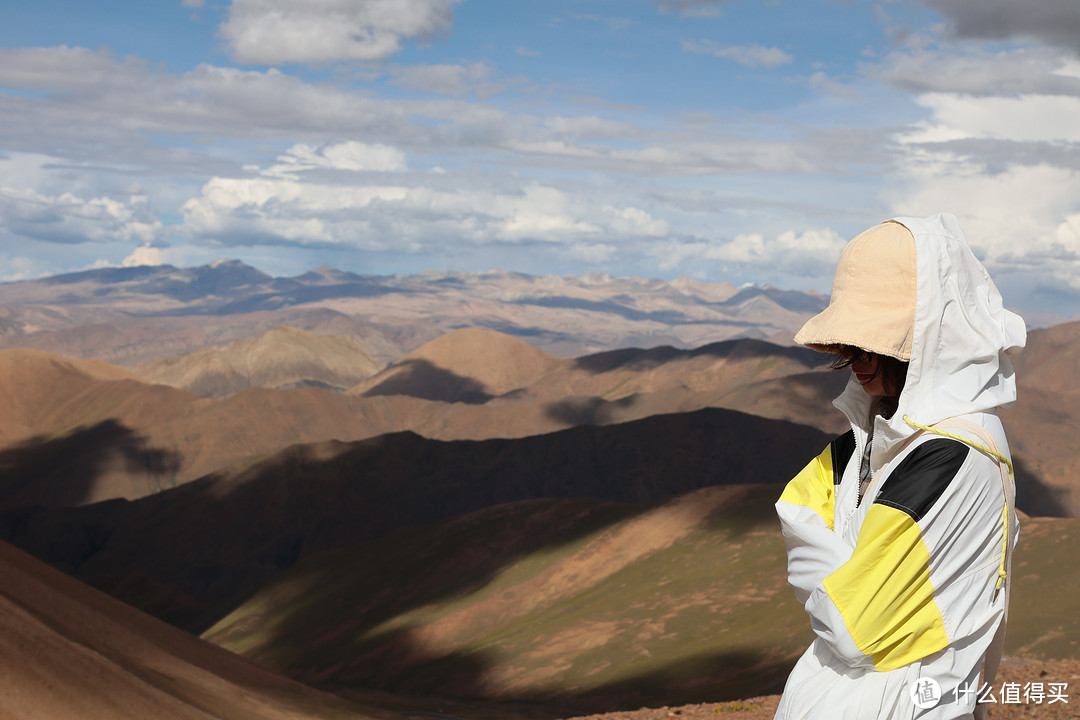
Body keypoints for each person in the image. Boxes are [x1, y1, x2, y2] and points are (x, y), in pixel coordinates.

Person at [773, 213, 1026, 719]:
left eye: (878, 340)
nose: (859, 356)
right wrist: (850, 575)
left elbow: (854, 628)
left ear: (936, 334)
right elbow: (795, 507)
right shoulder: (868, 438)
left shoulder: (955, 456)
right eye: (853, 339)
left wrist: (839, 578)